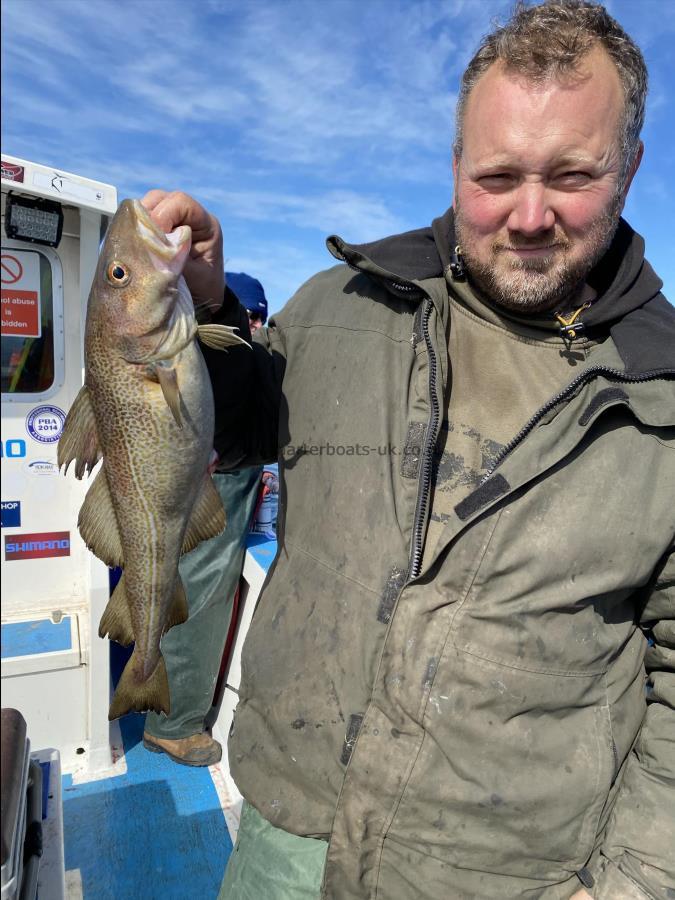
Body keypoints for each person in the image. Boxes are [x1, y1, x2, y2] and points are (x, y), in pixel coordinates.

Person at [142, 0, 674, 895]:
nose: (530, 213)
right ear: (455, 163)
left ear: (629, 168)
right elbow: (225, 436)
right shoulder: (335, 307)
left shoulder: (662, 390)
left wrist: (631, 881)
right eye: (497, 174)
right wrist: (204, 314)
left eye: (572, 174)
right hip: (289, 829)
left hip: (510, 875)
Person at [141, 273, 266, 766]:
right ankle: (174, 725)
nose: (254, 324)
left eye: (258, 315)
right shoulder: (217, 349)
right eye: (248, 314)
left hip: (220, 476)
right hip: (218, 480)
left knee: (187, 590)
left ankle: (162, 704)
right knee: (202, 595)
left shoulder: (233, 353)